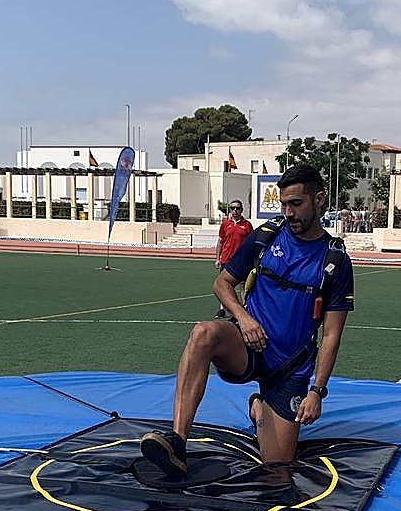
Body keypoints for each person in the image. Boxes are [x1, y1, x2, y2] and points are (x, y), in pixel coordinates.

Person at [141, 163, 354, 479]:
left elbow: (332, 336)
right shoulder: (266, 237)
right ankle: (177, 441)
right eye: (284, 204)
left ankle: (258, 406)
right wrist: (245, 318)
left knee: (278, 467)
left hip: (288, 370)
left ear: (319, 199)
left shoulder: (335, 261)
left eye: (296, 204)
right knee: (204, 333)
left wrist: (316, 392)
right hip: (248, 348)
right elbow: (222, 283)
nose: (289, 212)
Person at [214, 199, 253, 318]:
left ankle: (245, 308)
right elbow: (220, 241)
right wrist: (217, 258)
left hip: (241, 260)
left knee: (243, 285)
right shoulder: (225, 224)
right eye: (232, 208)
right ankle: (222, 309)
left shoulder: (247, 225)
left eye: (237, 208)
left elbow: (251, 243)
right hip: (226, 259)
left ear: (242, 210)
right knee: (225, 285)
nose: (235, 210)